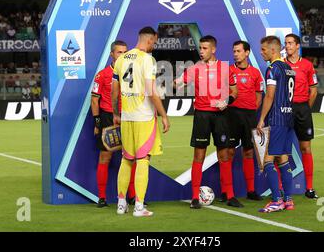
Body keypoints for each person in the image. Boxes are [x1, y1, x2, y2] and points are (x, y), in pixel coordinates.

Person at [175, 35, 241, 209]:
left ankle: (230, 195)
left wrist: (226, 101)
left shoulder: (226, 68)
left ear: (213, 49)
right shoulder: (195, 68)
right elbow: (179, 83)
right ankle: (195, 197)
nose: (201, 51)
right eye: (200, 48)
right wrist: (177, 83)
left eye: (205, 48)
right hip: (202, 116)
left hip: (221, 116)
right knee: (199, 156)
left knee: (224, 155)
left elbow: (235, 91)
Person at [112, 26, 170, 217]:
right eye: (154, 41)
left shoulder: (121, 59)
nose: (154, 44)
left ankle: (121, 204)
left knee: (126, 160)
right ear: (150, 39)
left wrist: (115, 112)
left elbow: (114, 90)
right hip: (144, 117)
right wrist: (163, 114)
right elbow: (151, 91)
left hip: (126, 117)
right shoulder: (148, 60)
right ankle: (139, 206)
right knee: (143, 160)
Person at [91, 40, 138, 208]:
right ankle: (102, 197)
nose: (122, 56)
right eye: (119, 52)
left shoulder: (131, 74)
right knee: (105, 157)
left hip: (129, 117)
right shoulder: (102, 75)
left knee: (131, 157)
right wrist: (97, 122)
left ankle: (133, 196)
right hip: (108, 119)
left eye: (125, 53)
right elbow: (95, 100)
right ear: (112, 54)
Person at [257, 35, 296, 213]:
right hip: (289, 119)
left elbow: (270, 96)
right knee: (283, 158)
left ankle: (276, 200)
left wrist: (261, 119)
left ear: (273, 50)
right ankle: (288, 200)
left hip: (277, 119)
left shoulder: (272, 69)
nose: (261, 52)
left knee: (268, 160)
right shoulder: (289, 68)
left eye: (264, 49)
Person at [226, 40, 263, 201]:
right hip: (231, 115)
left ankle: (251, 191)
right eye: (234, 51)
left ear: (247, 53)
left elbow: (259, 95)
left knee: (248, 151)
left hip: (249, 116)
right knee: (229, 152)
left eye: (238, 51)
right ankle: (227, 192)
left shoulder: (255, 73)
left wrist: (251, 110)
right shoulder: (227, 71)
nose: (235, 54)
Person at [284, 33, 319, 199]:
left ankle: (309, 188)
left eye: (290, 43)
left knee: (305, 147)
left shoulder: (307, 65)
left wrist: (305, 108)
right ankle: (282, 188)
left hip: (302, 109)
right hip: (285, 109)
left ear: (297, 45)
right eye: (286, 43)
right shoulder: (281, 65)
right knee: (281, 149)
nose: (288, 46)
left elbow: (313, 90)